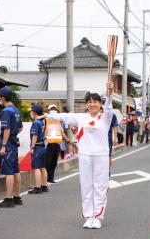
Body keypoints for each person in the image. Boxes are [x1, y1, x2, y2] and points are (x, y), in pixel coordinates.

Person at [41, 81, 114, 229]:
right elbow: (65, 116)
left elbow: (109, 106)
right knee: (86, 186)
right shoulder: (81, 117)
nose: (92, 104)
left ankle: (98, 217)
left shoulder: (105, 117)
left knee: (100, 186)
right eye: (90, 102)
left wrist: (110, 93)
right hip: (85, 155)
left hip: (101, 156)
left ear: (100, 104)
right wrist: (50, 115)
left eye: (95, 102)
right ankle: (89, 217)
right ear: (87, 104)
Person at [0, 87, 23, 208]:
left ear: (3, 98)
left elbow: (7, 129)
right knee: (15, 170)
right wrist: (13, 135)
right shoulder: (16, 110)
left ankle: (8, 199)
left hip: (7, 144)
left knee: (8, 171)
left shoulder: (6, 111)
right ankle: (17, 197)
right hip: (14, 143)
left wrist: (4, 145)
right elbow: (20, 127)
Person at [45, 105, 70, 184]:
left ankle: (51, 179)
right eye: (51, 109)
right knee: (48, 162)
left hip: (56, 144)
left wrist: (68, 140)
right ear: (48, 111)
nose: (53, 110)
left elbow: (61, 132)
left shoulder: (58, 121)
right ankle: (46, 179)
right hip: (48, 144)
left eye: (54, 109)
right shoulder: (45, 119)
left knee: (54, 162)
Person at [28, 104, 48, 194]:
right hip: (43, 146)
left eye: (31, 111)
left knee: (36, 167)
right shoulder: (42, 122)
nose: (31, 113)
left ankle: (38, 187)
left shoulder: (36, 123)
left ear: (34, 112)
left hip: (37, 147)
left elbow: (34, 136)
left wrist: (32, 147)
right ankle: (44, 185)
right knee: (43, 167)